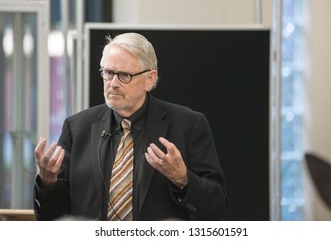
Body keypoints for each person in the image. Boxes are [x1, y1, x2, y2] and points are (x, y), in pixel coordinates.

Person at [33, 32, 228, 221]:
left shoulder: (188, 126)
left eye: (125, 75)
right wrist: (47, 183)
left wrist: (183, 179)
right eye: (108, 73)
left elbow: (216, 209)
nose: (113, 83)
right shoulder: (77, 128)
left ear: (150, 79)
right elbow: (52, 219)